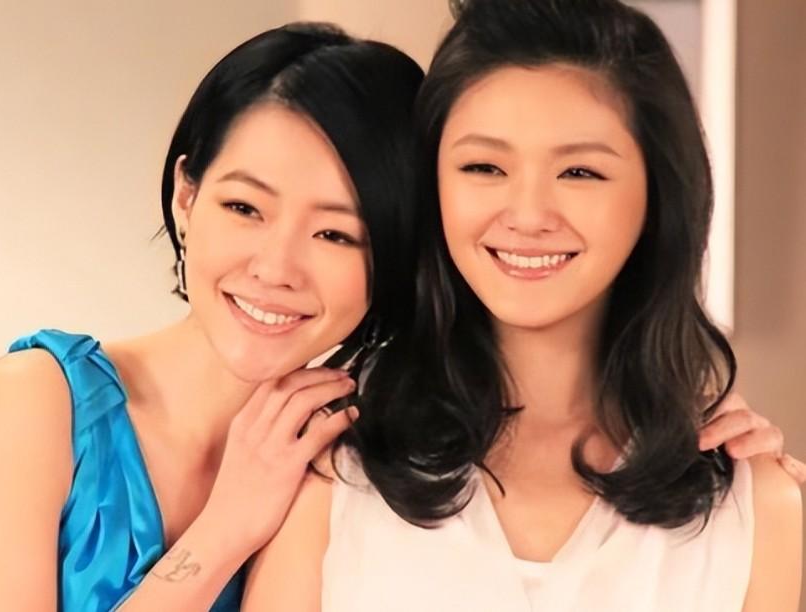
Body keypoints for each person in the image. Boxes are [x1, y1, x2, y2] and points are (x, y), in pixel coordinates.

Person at [242, 2, 802, 611]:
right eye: (484, 166)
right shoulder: (328, 463)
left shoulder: (755, 506)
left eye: (579, 172)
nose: (529, 215)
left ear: (657, 193)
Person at [0, 23, 424, 611]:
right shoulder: (38, 399)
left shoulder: (345, 469)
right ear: (187, 199)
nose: (276, 268)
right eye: (244, 207)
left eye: (335, 234)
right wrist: (226, 528)